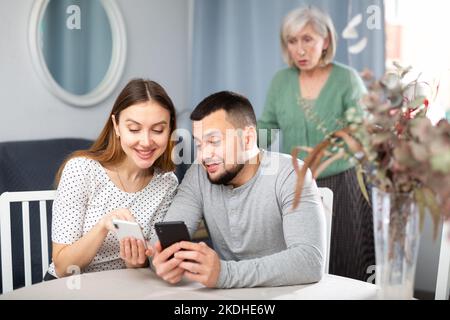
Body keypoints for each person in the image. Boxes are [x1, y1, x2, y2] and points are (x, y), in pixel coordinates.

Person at [147, 91, 326, 288]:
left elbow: (310, 261)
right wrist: (161, 263)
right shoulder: (198, 175)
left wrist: (224, 274)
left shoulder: (290, 173)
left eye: (214, 141)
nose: (204, 155)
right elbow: (161, 243)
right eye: (199, 144)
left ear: (248, 138)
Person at [257, 6, 374, 281]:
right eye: (292, 40)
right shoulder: (281, 81)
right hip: (297, 187)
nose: (300, 49)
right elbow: (266, 127)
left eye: (307, 39)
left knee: (349, 262)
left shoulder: (347, 80)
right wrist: (238, 146)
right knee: (302, 264)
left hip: (346, 184)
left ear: (326, 41)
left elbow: (362, 134)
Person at [45, 79, 178, 279]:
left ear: (170, 130)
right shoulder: (81, 169)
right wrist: (103, 225)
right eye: (134, 129)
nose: (146, 141)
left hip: (125, 286)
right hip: (70, 287)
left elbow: (148, 265)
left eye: (158, 130)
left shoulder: (167, 183)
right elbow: (63, 267)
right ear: (116, 126)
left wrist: (137, 262)